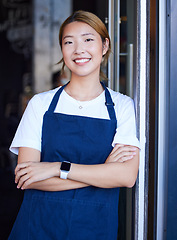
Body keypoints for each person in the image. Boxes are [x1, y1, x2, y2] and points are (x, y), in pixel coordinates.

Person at [8, 10, 140, 240]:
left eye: (88, 39)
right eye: (69, 42)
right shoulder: (41, 104)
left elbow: (126, 177)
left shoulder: (122, 106)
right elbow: (27, 178)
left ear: (105, 45)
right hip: (38, 227)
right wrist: (102, 172)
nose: (79, 50)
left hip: (95, 229)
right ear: (62, 50)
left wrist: (56, 168)